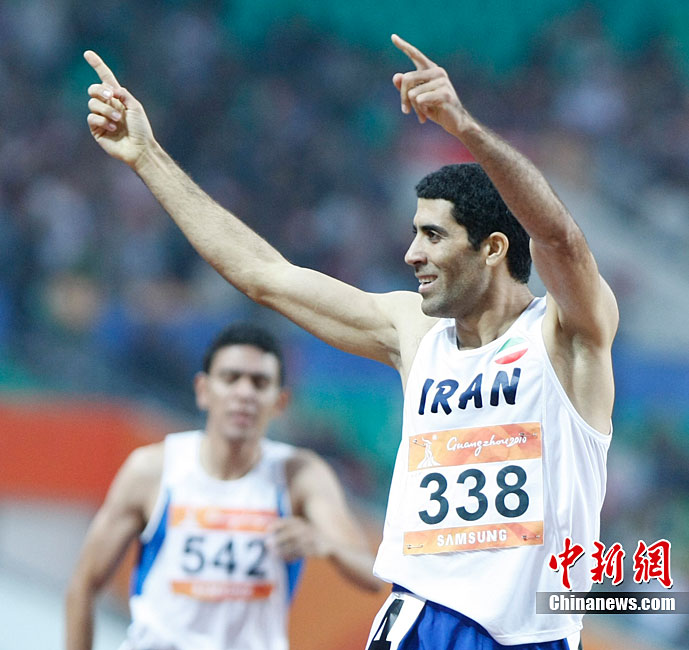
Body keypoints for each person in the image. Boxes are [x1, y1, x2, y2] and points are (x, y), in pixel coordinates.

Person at [83, 32, 618, 650]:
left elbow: (560, 240)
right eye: (414, 233)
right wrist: (147, 157)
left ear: (493, 248)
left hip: (533, 633)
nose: (411, 254)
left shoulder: (566, 337)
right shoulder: (413, 331)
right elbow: (264, 276)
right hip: (419, 619)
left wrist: (464, 128)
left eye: (433, 236)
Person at [65, 323, 382, 650]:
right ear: (203, 390)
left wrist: (324, 543)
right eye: (231, 378)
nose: (244, 394)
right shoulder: (154, 470)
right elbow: (83, 586)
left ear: (280, 401)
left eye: (260, 383)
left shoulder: (299, 474)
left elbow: (372, 576)